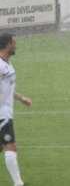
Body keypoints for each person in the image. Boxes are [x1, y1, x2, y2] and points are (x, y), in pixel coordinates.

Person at [0, 33, 32, 186]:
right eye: (14, 43)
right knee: (10, 147)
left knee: (4, 147)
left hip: (6, 112)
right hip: (2, 114)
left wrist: (21, 98)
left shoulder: (7, 63)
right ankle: (18, 183)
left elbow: (7, 88)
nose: (15, 45)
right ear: (7, 45)